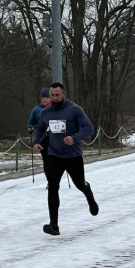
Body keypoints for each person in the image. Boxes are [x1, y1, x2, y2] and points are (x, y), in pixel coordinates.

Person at [33, 82, 99, 236]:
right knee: (53, 187)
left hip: (73, 155)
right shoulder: (45, 112)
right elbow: (41, 128)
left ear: (64, 94)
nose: (54, 98)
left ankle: (88, 193)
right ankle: (54, 225)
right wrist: (37, 141)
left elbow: (89, 128)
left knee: (79, 184)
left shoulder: (74, 109)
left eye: (57, 95)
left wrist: (74, 138)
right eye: (52, 95)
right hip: (54, 155)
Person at [28, 88, 51, 170]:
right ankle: (49, 178)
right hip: (42, 138)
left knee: (54, 159)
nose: (44, 100)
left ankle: (54, 178)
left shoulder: (54, 108)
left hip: (54, 138)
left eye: (46, 98)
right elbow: (31, 122)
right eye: (42, 98)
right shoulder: (36, 109)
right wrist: (30, 128)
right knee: (46, 159)